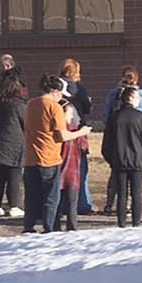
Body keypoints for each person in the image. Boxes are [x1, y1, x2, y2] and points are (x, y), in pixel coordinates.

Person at [23, 74, 92, 233]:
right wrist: (81, 132)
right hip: (49, 158)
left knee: (31, 197)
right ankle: (50, 229)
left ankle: (29, 227)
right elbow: (62, 136)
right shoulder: (54, 107)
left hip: (30, 158)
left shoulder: (31, 104)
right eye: (61, 94)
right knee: (51, 198)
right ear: (55, 91)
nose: (61, 97)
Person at [100, 66, 142, 215]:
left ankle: (110, 204)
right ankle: (129, 207)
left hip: (117, 136)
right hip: (137, 135)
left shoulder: (113, 94)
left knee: (116, 175)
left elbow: (105, 114)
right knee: (134, 181)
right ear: (136, 78)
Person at [0, 74, 27, 217]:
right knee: (14, 175)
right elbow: (26, 123)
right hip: (14, 145)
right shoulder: (18, 104)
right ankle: (14, 205)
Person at [58, 58, 96, 215]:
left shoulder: (56, 85)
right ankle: (82, 203)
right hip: (78, 130)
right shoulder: (79, 88)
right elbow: (87, 109)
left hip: (60, 129)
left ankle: (61, 204)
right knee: (80, 168)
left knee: (61, 169)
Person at [54, 78, 89, 232]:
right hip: (69, 170)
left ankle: (64, 225)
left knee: (62, 202)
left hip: (66, 170)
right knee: (67, 202)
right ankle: (68, 226)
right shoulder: (70, 131)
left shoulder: (67, 130)